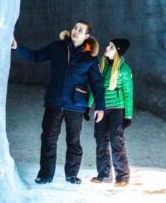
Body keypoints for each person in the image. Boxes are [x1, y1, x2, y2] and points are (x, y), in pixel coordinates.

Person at [11, 20, 105, 185]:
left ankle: (72, 174)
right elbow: (35, 56)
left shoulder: (90, 57)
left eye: (80, 30)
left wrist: (100, 107)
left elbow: (96, 83)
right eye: (75, 27)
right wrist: (16, 47)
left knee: (73, 141)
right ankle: (46, 174)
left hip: (76, 104)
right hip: (54, 101)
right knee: (48, 138)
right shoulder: (57, 47)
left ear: (86, 36)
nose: (76, 31)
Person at [89, 38, 133, 187]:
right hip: (102, 109)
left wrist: (128, 115)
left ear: (117, 51)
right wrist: (88, 106)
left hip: (117, 110)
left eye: (111, 46)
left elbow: (128, 93)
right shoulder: (102, 65)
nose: (107, 47)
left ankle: (123, 176)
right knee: (101, 141)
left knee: (116, 142)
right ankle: (104, 174)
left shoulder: (124, 70)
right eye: (108, 45)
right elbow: (95, 88)